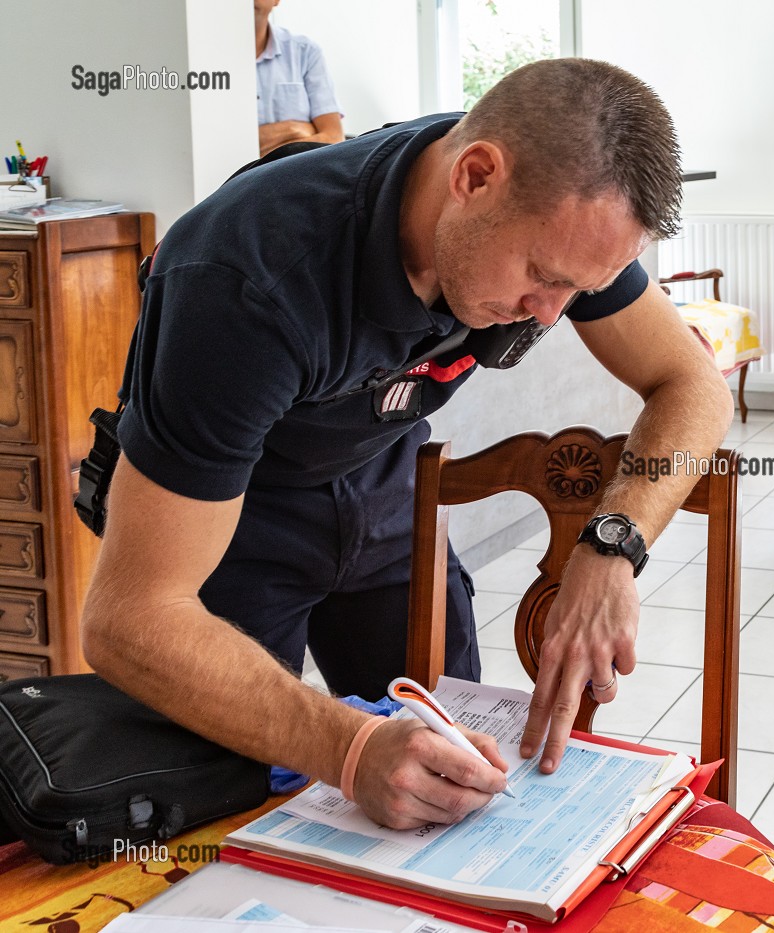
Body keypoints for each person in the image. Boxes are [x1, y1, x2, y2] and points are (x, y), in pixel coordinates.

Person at [80, 59, 734, 831]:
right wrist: (351, 749)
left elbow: (695, 386)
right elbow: (127, 620)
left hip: (382, 482)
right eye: (541, 277)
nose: (551, 315)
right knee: (229, 800)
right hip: (238, 515)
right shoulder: (247, 279)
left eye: (578, 291)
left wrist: (614, 540)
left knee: (448, 783)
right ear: (475, 176)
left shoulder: (561, 217)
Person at [255, 0, 346, 157]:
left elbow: (334, 138)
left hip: (295, 176)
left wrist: (259, 144)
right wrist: (296, 132)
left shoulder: (305, 52)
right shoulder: (202, 58)